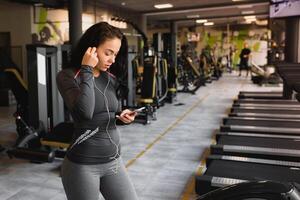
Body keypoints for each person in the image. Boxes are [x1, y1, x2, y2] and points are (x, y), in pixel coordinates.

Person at [56, 22, 138, 200]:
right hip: (83, 166)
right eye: (108, 53)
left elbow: (105, 112)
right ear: (91, 49)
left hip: (114, 162)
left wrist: (120, 117)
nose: (112, 60)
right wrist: (87, 69)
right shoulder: (68, 76)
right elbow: (84, 113)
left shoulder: (110, 78)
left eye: (115, 54)